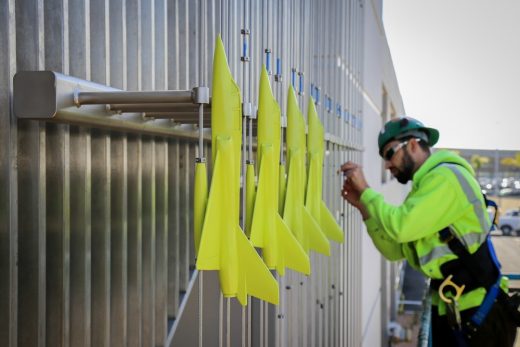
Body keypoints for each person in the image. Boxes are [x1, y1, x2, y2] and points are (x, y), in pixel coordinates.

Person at [340, 116, 518, 346]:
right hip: (454, 310)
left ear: (413, 144)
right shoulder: (424, 189)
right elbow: (395, 250)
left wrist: (365, 190)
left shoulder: (446, 179)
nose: (386, 164)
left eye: (389, 153)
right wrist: (365, 209)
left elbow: (400, 227)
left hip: (479, 311)